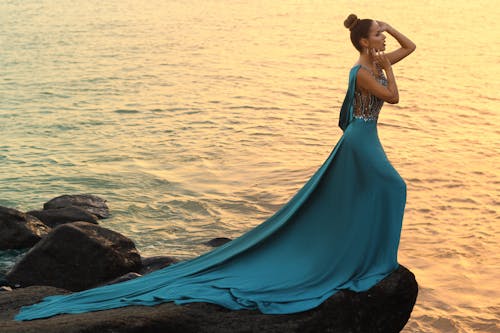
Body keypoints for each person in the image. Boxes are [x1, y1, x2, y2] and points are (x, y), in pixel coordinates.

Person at [14, 14, 415, 321]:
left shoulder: (372, 63)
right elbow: (393, 97)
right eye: (378, 34)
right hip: (360, 140)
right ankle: (374, 258)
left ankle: (365, 252)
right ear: (364, 41)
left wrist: (391, 27)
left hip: (365, 138)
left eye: (382, 34)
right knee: (392, 188)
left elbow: (411, 47)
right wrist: (387, 65)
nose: (383, 39)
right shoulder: (365, 73)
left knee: (368, 194)